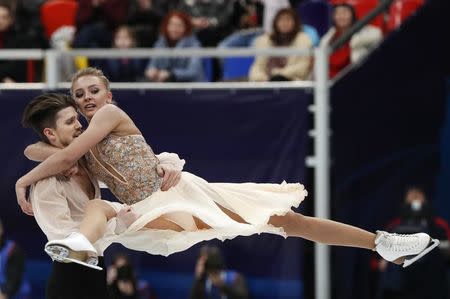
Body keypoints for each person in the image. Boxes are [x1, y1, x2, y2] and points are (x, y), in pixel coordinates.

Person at [16, 67, 438, 271]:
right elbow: (44, 152)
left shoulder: (109, 115)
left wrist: (23, 180)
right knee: (103, 214)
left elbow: (58, 158)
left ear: (108, 93)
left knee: (286, 220)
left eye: (93, 90)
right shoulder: (82, 146)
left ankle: (383, 244)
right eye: (79, 95)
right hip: (148, 210)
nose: (88, 98)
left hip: (182, 196)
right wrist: (34, 165)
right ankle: (81, 249)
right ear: (73, 105)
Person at [21, 93, 183, 297]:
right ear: (51, 134)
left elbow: (134, 163)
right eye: (70, 121)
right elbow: (64, 240)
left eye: (78, 119)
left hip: (97, 272)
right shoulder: (47, 183)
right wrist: (116, 224)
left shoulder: (85, 162)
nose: (79, 125)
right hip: (70, 279)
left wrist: (167, 164)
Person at [375, 186, 449, 299]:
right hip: (400, 280)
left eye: (418, 195)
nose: (415, 198)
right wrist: (383, 261)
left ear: (425, 199)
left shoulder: (439, 225)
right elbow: (379, 252)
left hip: (431, 278)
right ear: (405, 200)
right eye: (411, 195)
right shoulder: (394, 225)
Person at [320, 3, 383, 78]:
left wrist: (356, 41)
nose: (341, 16)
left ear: (352, 14)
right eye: (337, 13)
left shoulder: (362, 31)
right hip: (329, 82)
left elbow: (378, 34)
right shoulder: (330, 35)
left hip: (354, 80)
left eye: (345, 12)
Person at [249, 8, 313, 82]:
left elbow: (303, 66)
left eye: (288, 20)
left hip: (292, 82)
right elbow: (257, 66)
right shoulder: (265, 40)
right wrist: (264, 78)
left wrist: (280, 74)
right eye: (281, 20)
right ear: (275, 22)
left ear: (295, 22)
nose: (284, 23)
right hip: (266, 82)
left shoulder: (303, 39)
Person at [144, 11, 205, 82]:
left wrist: (171, 74)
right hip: (164, 85)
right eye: (171, 24)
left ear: (186, 28)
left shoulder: (194, 45)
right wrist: (151, 70)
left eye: (179, 25)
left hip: (188, 88)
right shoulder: (159, 43)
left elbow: (193, 72)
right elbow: (152, 64)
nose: (174, 29)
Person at [0, 218, 31, 299]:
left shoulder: (13, 250)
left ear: (1, 229)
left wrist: (4, 293)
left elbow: (14, 280)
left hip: (16, 294)